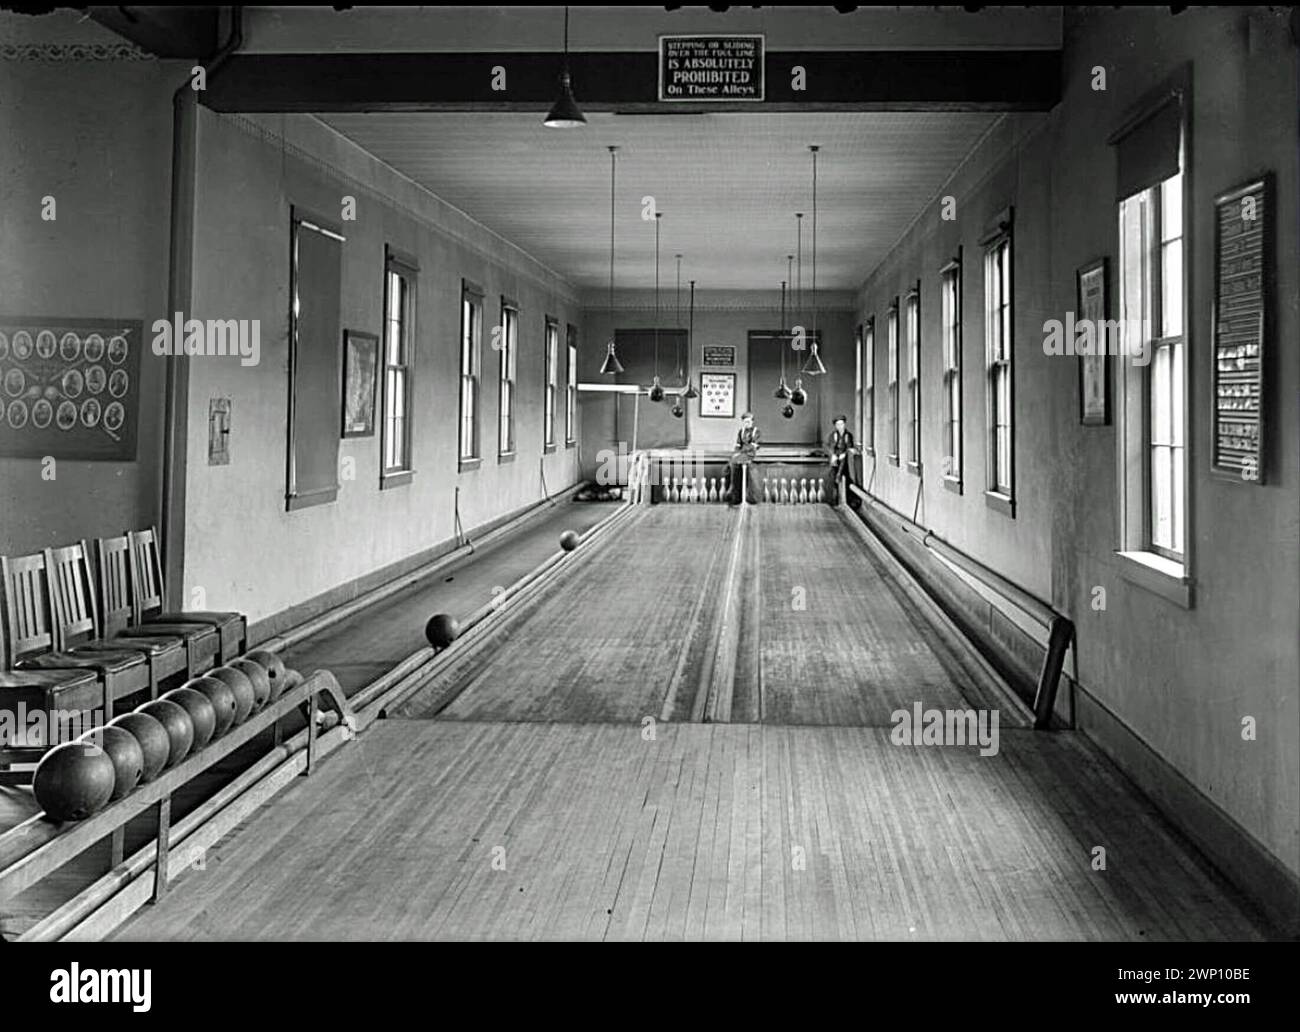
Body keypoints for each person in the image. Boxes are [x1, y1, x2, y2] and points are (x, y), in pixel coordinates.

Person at [826, 414, 861, 510]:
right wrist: (833, 455)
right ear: (835, 426)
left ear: (844, 425)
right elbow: (830, 447)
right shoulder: (833, 435)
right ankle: (834, 502)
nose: (840, 426)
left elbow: (849, 447)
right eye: (838, 424)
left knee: (843, 473)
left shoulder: (848, 435)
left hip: (844, 461)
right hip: (835, 459)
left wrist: (844, 453)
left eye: (842, 424)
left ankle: (847, 501)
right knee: (832, 476)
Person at [727, 411, 761, 505]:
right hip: (741, 453)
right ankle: (734, 492)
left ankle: (749, 496)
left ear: (752, 422)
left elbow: (753, 445)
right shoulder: (741, 432)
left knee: (738, 462)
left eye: (749, 421)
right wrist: (736, 453)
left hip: (750, 453)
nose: (747, 423)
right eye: (745, 422)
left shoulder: (755, 431)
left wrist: (741, 452)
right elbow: (738, 445)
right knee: (731, 464)